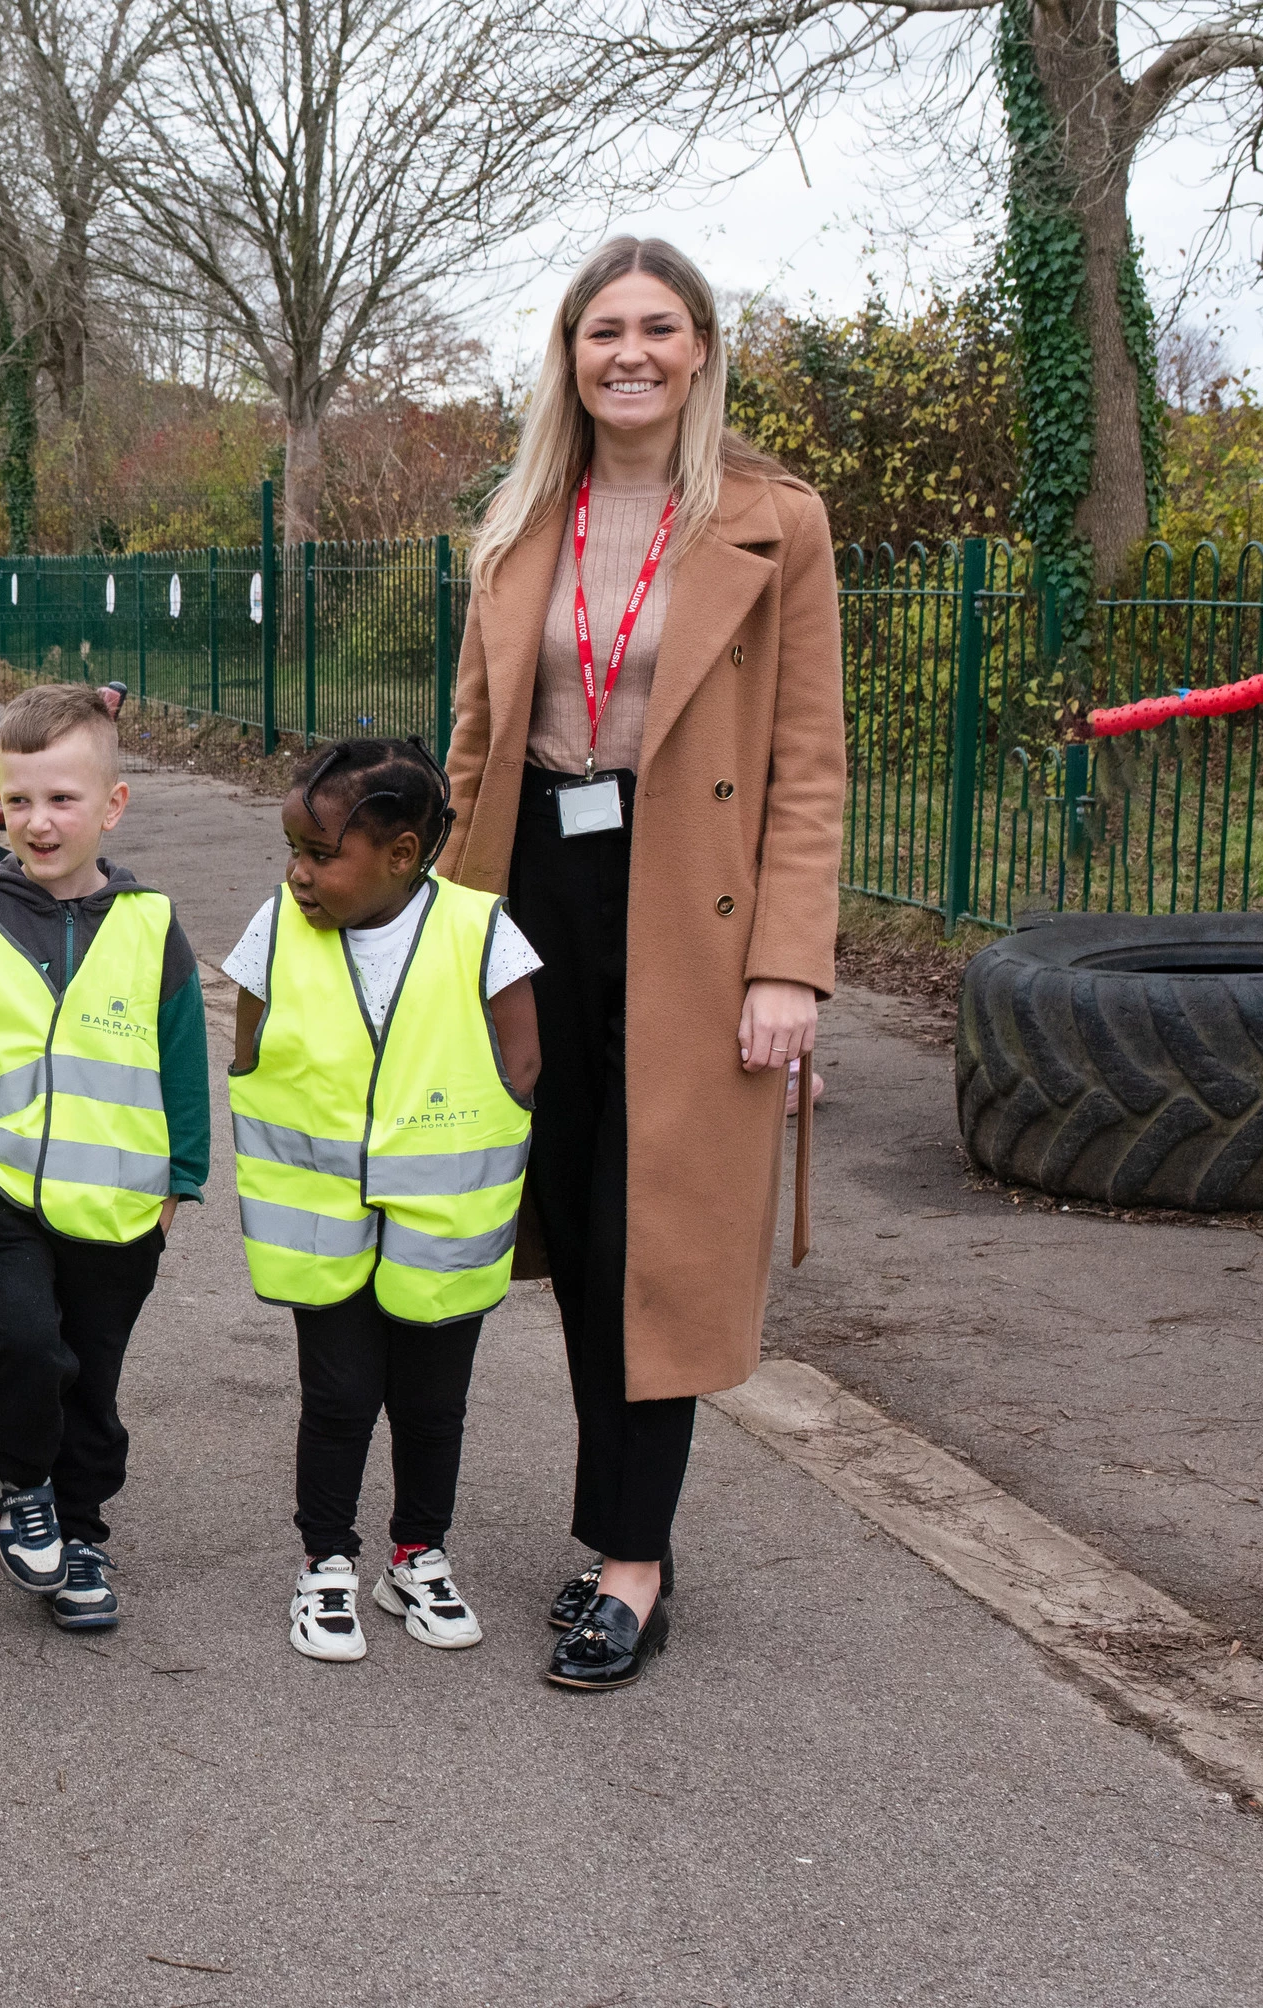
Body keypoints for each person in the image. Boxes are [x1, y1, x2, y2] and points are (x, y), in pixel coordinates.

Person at [444, 236, 844, 1691]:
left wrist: (790, 964)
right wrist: (437, 929)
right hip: (530, 889)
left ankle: (630, 1561)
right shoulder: (515, 523)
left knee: (649, 1241)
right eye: (602, 328)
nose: (630, 351)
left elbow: (809, 762)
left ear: (699, 348)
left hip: (694, 904)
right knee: (566, 1221)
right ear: (568, 355)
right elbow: (478, 745)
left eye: (657, 328)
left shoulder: (772, 520)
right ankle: (613, 1529)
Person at [222, 740, 542, 1663]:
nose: (299, 873)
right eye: (293, 850)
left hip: (442, 1229)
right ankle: (326, 1561)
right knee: (340, 1397)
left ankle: (417, 1554)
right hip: (321, 1228)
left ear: (400, 855)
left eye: (321, 855)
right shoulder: (276, 926)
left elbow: (520, 1060)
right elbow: (250, 1046)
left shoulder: (482, 930)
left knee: (434, 1405)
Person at [0, 683, 209, 1632]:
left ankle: (81, 1533)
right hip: (3, 1201)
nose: (37, 822)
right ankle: (22, 1481)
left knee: (95, 1378)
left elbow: (184, 1060)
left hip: (124, 1207)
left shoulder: (153, 926)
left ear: (111, 806)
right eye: (19, 800)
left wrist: (180, 1186)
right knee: (27, 1345)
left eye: (62, 799)